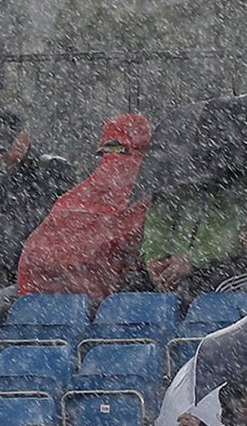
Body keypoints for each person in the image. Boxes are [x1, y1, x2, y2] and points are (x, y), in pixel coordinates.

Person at [16, 113, 153, 305]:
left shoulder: (76, 196)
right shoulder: (147, 193)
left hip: (48, 297)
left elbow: (36, 253)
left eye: (118, 151)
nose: (114, 162)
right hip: (104, 299)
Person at [0, 109, 77, 285]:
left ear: (24, 138)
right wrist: (0, 268)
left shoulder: (52, 170)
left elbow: (66, 227)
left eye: (2, 149)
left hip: (49, 277)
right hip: (3, 278)